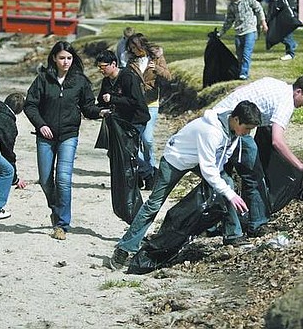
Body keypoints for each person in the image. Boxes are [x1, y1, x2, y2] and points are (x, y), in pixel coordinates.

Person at [109, 100, 261, 270]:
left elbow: (220, 160)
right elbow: (208, 168)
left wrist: (226, 190)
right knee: (154, 204)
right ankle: (124, 248)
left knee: (227, 184)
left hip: (198, 159)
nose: (248, 132)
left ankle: (234, 235)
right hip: (176, 159)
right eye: (247, 128)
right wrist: (230, 193)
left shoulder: (233, 130)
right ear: (236, 119)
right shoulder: (212, 132)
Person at [212, 75, 303, 237]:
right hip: (233, 127)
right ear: (298, 91)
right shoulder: (286, 103)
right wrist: (300, 165)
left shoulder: (275, 82)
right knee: (254, 175)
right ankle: (256, 224)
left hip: (218, 119)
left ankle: (213, 224)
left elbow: (241, 89)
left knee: (221, 175)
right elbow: (277, 141)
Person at [24, 41, 106, 240]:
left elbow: (88, 107)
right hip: (45, 136)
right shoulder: (43, 79)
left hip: (69, 135)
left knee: (63, 179)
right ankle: (57, 208)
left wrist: (101, 112)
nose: (66, 62)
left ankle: (62, 224)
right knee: (45, 180)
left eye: (69, 58)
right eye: (62, 58)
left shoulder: (80, 81)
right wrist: (41, 124)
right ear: (54, 58)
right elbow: (30, 105)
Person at [95, 50, 152, 184]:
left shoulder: (127, 77)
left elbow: (135, 101)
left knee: (127, 151)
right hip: (120, 121)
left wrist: (113, 99)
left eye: (103, 67)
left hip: (136, 119)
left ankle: (149, 173)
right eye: (99, 67)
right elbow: (102, 100)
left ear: (113, 64)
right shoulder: (107, 82)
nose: (101, 70)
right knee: (115, 151)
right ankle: (137, 179)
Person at [125, 33, 172, 189]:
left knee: (148, 139)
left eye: (134, 47)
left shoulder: (156, 58)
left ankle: (151, 169)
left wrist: (156, 68)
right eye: (131, 48)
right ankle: (143, 172)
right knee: (136, 140)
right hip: (135, 105)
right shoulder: (131, 62)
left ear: (141, 45)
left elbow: (168, 76)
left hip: (151, 103)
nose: (133, 50)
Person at [219, 0, 268, 81]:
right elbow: (229, 21)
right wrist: (221, 33)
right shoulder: (231, 6)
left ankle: (244, 74)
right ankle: (241, 71)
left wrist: (263, 23)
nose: (231, 0)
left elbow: (259, 9)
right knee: (240, 55)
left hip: (250, 30)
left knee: (246, 53)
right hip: (238, 31)